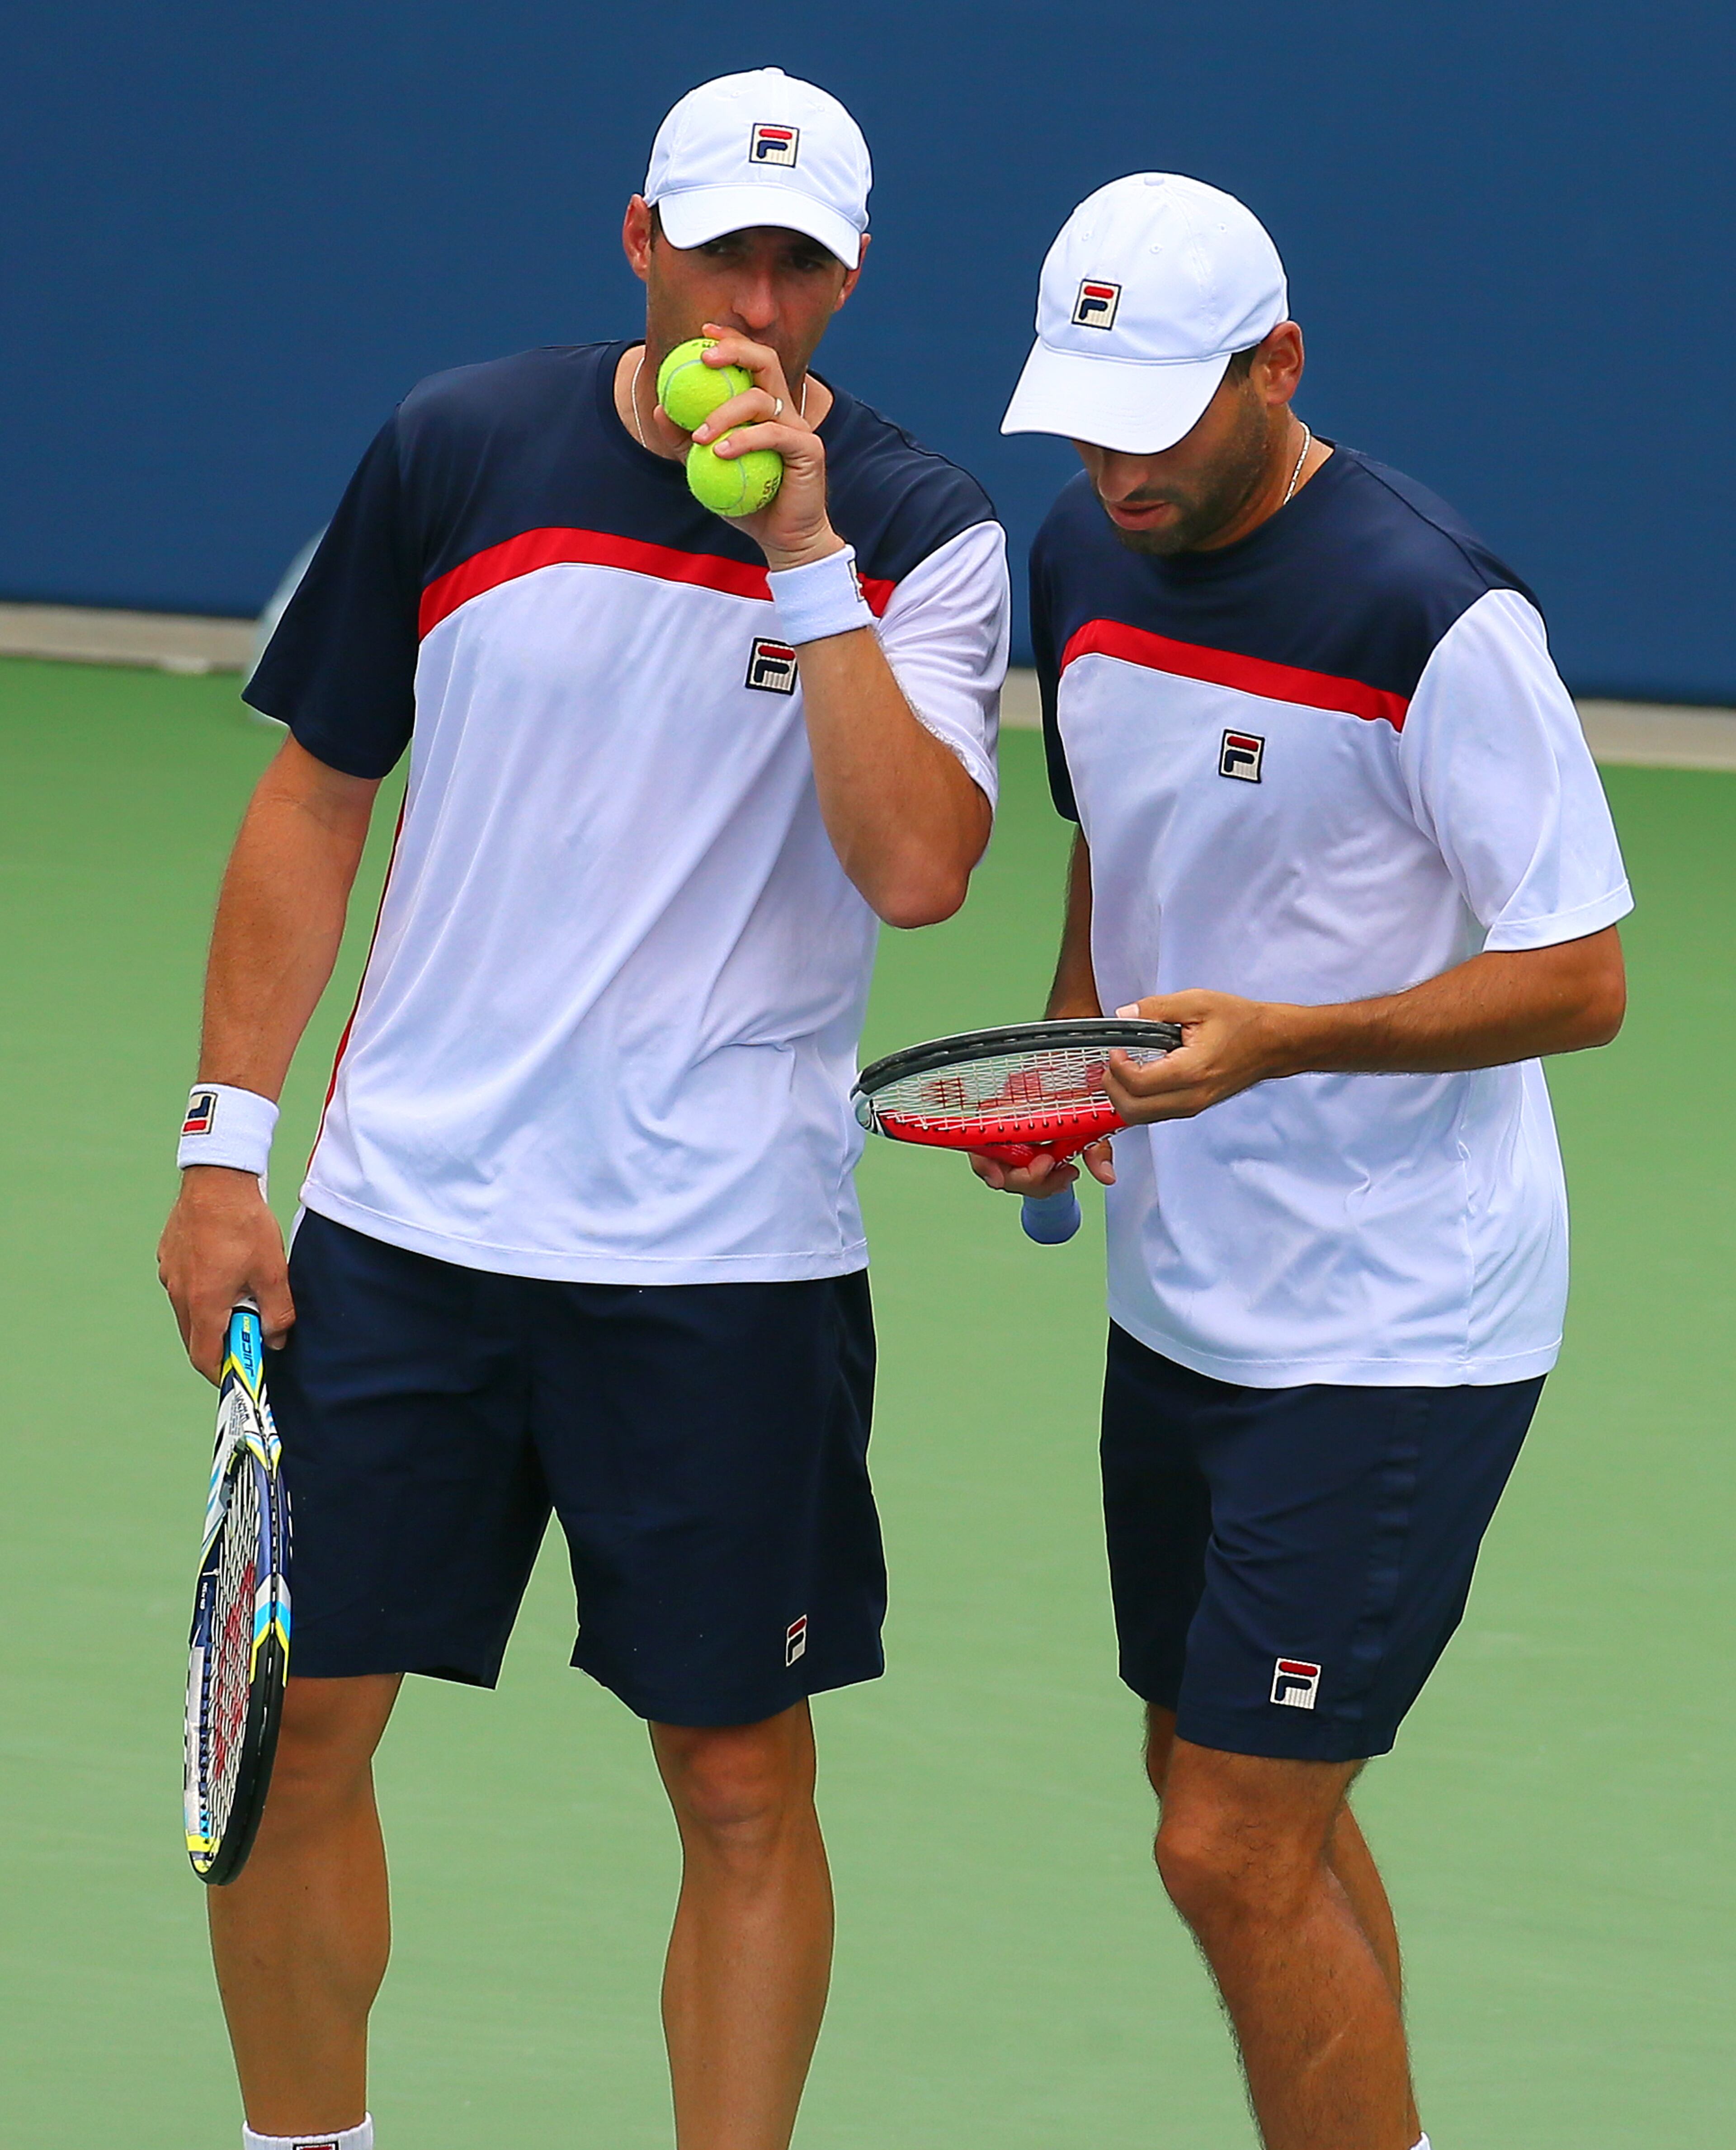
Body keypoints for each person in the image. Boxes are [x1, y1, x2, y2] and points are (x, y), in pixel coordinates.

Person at [158, 67, 1007, 2150]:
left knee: (737, 1783)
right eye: (722, 247)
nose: (758, 297)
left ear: (854, 275)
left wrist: (806, 553)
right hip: (411, 1228)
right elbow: (312, 797)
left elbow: (919, 865)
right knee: (297, 1736)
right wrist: (217, 1148)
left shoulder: (927, 534)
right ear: (638, 238)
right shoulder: (458, 448)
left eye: (802, 261)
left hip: (724, 1266)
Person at [986, 172, 1629, 2150]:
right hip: (1188, 1299)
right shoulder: (1079, 552)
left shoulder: (1435, 611)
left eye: (1164, 413)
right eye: (1089, 414)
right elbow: (1118, 817)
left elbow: (1583, 975)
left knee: (1226, 1845)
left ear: (1278, 367)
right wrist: (1076, 1046)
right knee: (1232, 1788)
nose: (1119, 463)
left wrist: (1288, 1044)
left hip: (1400, 1321)